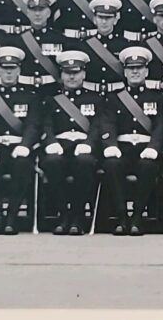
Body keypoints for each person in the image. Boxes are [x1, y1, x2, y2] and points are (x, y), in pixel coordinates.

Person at [101, 46, 163, 235]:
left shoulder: (158, 97)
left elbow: (161, 125)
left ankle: (138, 216)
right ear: (125, 71)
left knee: (148, 166)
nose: (135, 72)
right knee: (111, 165)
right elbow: (108, 124)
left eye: (139, 68)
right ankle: (122, 217)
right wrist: (111, 145)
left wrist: (154, 146)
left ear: (146, 71)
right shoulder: (114, 98)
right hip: (122, 148)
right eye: (131, 69)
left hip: (146, 147)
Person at [0, 46, 40, 235]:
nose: (9, 73)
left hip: (19, 147)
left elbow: (33, 124)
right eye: (5, 69)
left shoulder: (30, 96)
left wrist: (25, 145)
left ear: (19, 71)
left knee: (22, 166)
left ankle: (12, 216)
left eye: (12, 69)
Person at [40, 50, 102, 235]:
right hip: (60, 147)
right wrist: (51, 141)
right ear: (61, 75)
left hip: (84, 148)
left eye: (76, 72)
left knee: (85, 163)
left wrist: (89, 143)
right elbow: (46, 124)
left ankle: (77, 217)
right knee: (51, 162)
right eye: (68, 73)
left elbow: (98, 125)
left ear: (84, 74)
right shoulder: (52, 101)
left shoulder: (96, 99)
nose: (72, 77)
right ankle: (63, 214)